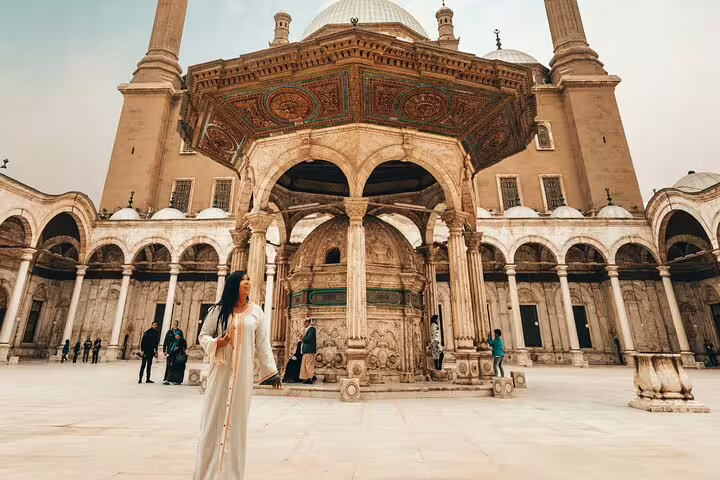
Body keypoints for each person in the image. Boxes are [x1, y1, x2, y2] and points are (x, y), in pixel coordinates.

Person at [194, 271, 280, 480]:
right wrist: (218, 343)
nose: (247, 282)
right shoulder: (217, 311)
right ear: (234, 285)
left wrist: (271, 372)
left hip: (242, 377)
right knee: (213, 422)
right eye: (243, 280)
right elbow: (203, 335)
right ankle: (206, 474)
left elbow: (263, 345)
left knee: (237, 426)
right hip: (220, 374)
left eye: (249, 279)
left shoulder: (256, 312)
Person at [299, 318, 317, 385]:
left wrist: (302, 338)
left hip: (309, 350)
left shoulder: (312, 329)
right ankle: (307, 378)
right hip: (307, 351)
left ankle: (311, 378)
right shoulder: (309, 329)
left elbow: (309, 339)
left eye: (305, 323)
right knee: (306, 365)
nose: (304, 324)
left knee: (309, 365)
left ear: (307, 322)